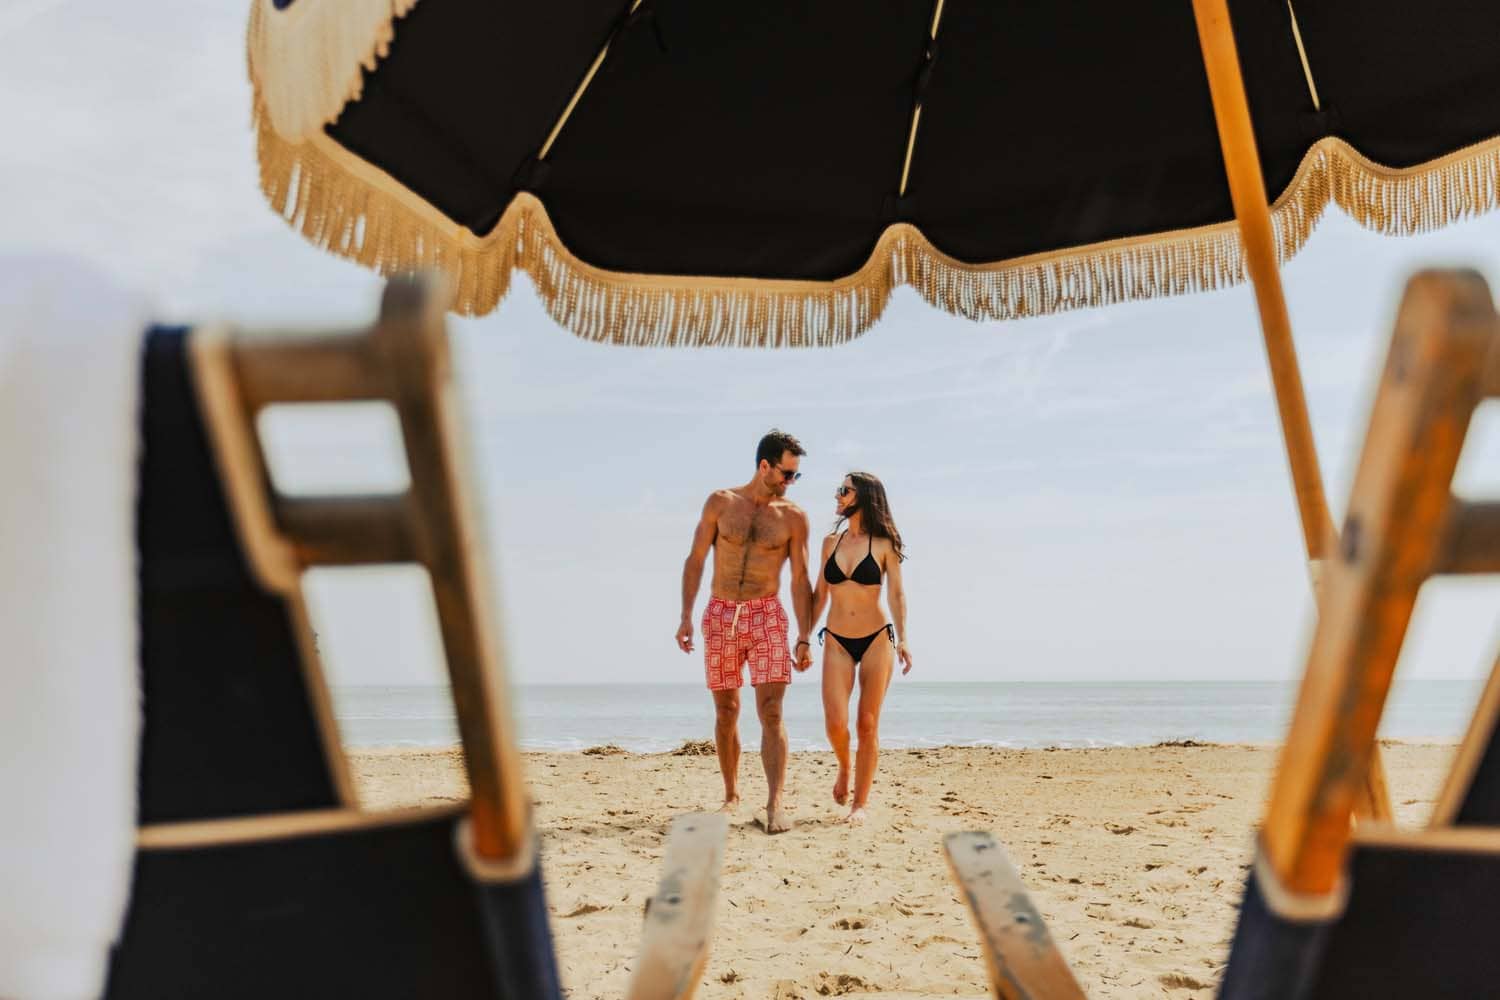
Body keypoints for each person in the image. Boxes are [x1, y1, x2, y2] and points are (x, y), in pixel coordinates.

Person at [677, 429, 815, 833]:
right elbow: (696, 559)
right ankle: (732, 794)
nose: (790, 482)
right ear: (764, 466)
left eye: (796, 476)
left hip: (767, 615)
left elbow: (801, 578)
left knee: (771, 711)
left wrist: (804, 635)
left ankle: (774, 804)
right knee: (726, 711)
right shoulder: (721, 503)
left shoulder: (793, 517)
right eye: (787, 474)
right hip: (720, 614)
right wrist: (686, 616)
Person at [812, 472, 912, 824]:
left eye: (844, 490)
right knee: (836, 723)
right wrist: (804, 637)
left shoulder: (883, 544)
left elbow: (896, 594)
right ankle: (844, 766)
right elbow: (819, 595)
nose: (838, 495)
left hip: (876, 638)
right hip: (837, 638)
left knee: (867, 723)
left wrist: (903, 639)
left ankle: (860, 804)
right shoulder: (829, 543)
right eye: (838, 489)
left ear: (863, 496)